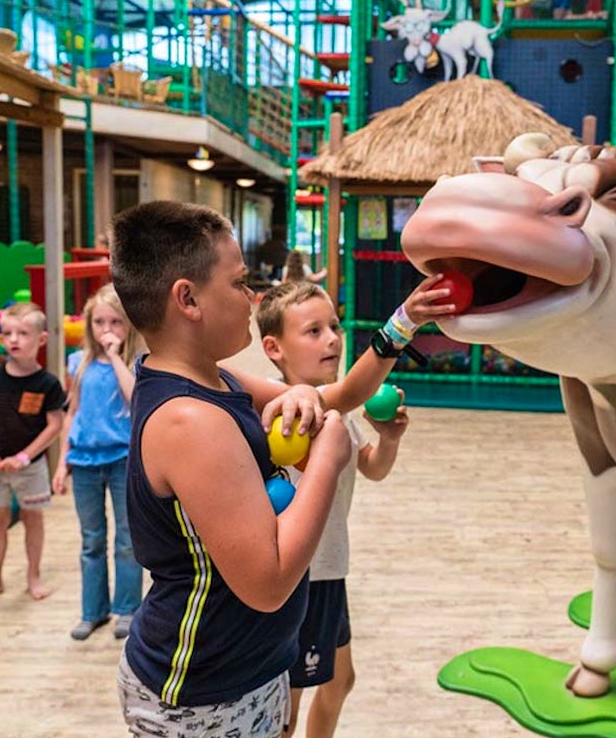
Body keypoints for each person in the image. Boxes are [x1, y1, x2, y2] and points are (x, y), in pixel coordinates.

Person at [109, 200, 453, 738]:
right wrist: (329, 457)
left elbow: (338, 395)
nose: (251, 298)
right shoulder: (190, 421)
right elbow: (267, 583)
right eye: (239, 283)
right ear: (188, 298)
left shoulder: (216, 381)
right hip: (201, 692)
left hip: (248, 667)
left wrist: (402, 322)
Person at [256, 281, 434, 738]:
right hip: (301, 580)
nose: (333, 338)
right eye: (313, 331)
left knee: (339, 682)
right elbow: (356, 388)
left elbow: (371, 467)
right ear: (274, 348)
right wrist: (405, 317)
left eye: (333, 325)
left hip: (330, 571)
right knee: (286, 708)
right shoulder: (284, 411)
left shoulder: (335, 409)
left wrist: (389, 439)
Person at [52, 284, 143, 641]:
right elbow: (71, 414)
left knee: (127, 539)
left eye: (115, 322)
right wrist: (62, 463)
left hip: (123, 459)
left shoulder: (136, 363)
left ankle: (127, 608)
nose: (107, 330)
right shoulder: (79, 363)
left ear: (128, 326)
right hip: (85, 460)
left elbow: (135, 399)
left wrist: (117, 356)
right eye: (99, 322)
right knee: (91, 539)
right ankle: (93, 611)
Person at [0, 301, 66, 606]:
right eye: (7, 333)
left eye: (22, 333)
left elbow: (54, 425)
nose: (13, 340)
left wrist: (24, 456)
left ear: (41, 340)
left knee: (31, 518)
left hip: (30, 468)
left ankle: (33, 576)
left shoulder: (47, 383)